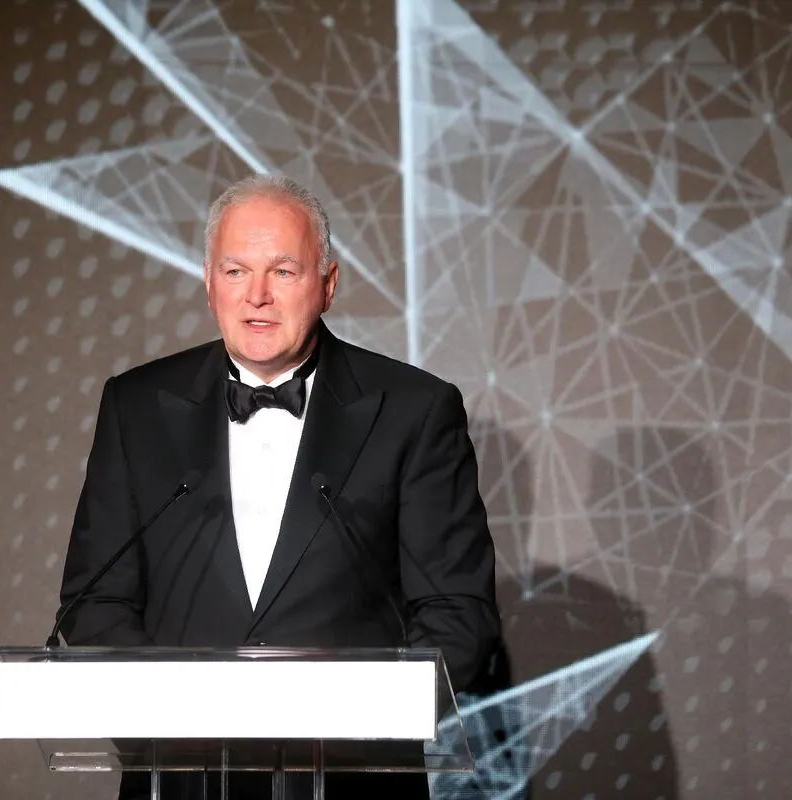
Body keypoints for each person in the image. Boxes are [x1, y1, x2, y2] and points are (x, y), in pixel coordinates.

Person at [57, 174, 501, 799]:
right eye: (236, 271)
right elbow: (95, 601)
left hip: (351, 781)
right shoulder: (135, 406)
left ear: (328, 283)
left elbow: (458, 614)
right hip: (179, 779)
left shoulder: (414, 410)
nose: (257, 296)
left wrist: (355, 719)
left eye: (284, 271)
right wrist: (165, 723)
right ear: (208, 282)